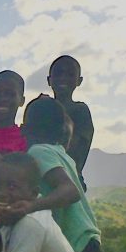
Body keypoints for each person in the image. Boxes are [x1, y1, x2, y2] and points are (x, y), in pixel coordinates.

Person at [13, 96, 110, 252]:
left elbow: (69, 191)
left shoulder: (38, 152)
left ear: (24, 129)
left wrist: (31, 206)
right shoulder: (60, 153)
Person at [46, 55, 94, 189]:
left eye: (70, 74)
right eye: (59, 74)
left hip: (71, 180)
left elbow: (77, 148)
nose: (63, 78)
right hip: (42, 178)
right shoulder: (42, 108)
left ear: (79, 81)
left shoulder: (81, 111)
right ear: (49, 80)